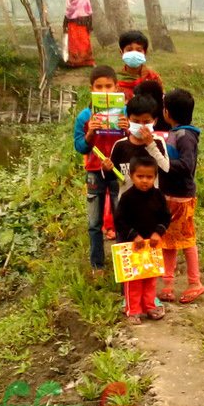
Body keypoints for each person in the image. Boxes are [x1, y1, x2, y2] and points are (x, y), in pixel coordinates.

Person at [73, 65, 130, 269]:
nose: (104, 91)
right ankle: (97, 265)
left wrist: (127, 130)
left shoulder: (125, 114)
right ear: (91, 88)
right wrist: (90, 133)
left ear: (116, 88)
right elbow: (80, 146)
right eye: (99, 87)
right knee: (94, 223)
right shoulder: (85, 116)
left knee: (121, 219)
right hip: (94, 171)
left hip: (118, 171)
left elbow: (134, 144)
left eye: (108, 86)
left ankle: (122, 266)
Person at [157, 89, 204, 304]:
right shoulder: (176, 133)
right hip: (169, 196)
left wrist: (162, 162)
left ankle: (195, 282)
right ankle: (168, 283)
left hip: (183, 198)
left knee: (187, 240)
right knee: (167, 240)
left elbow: (187, 166)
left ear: (166, 112)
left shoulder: (185, 137)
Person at [113, 155, 172, 323]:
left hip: (152, 246)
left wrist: (158, 232)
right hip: (133, 246)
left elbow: (166, 217)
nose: (145, 181)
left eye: (149, 177)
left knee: (150, 278)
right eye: (140, 176)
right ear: (132, 176)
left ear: (155, 177)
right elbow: (120, 220)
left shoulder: (159, 196)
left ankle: (149, 307)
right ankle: (133, 311)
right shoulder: (127, 198)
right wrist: (133, 235)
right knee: (134, 280)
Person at [109, 94, 169, 190]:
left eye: (146, 122)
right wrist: (106, 168)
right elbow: (111, 177)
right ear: (128, 119)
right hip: (126, 201)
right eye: (136, 121)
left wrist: (150, 144)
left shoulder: (158, 142)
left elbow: (166, 169)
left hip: (152, 201)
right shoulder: (120, 145)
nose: (141, 126)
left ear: (155, 121)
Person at [117, 30, 163, 100]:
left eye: (139, 50)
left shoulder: (153, 78)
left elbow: (160, 100)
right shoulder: (115, 80)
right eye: (129, 50)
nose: (134, 54)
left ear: (145, 52)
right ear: (121, 53)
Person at [63, 0, 94, 67]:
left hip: (82, 24)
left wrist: (90, 26)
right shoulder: (68, 0)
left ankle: (88, 61)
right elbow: (67, 13)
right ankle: (74, 62)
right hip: (72, 24)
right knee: (74, 44)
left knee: (84, 42)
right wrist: (64, 25)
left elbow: (89, 12)